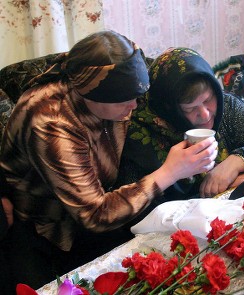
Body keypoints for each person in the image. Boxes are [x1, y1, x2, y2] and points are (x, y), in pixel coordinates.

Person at [0, 31, 217, 290]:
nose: (136, 106)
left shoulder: (117, 78)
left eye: (138, 95)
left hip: (104, 204)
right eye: (125, 101)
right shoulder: (51, 123)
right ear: (90, 96)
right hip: (46, 229)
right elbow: (94, 214)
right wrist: (169, 172)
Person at [116, 47, 244, 204]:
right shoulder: (140, 134)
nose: (205, 114)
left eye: (208, 100)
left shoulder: (226, 106)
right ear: (169, 110)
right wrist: (226, 186)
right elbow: (141, 208)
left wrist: (235, 163)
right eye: (190, 109)